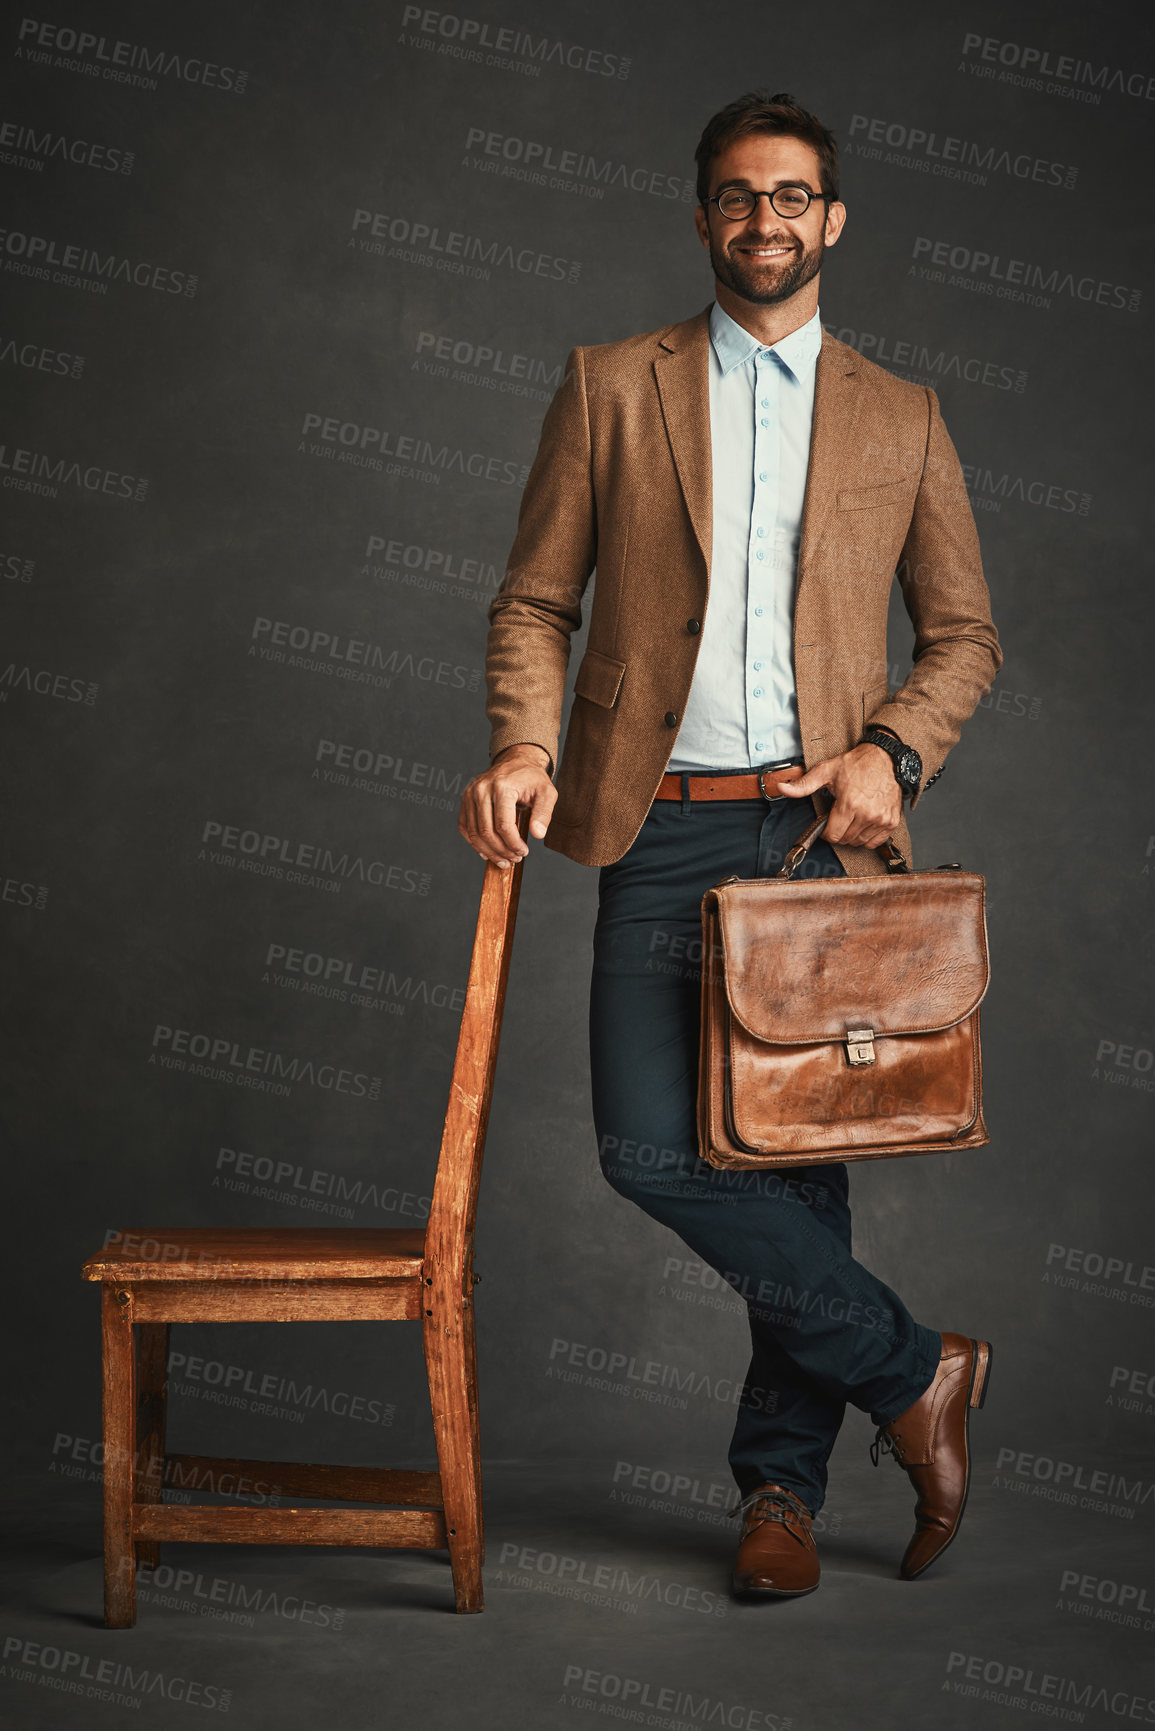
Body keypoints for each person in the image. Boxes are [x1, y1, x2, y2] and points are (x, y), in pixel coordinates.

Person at [458, 90, 1001, 1599]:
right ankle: (915, 1370)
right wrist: (522, 739)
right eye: (739, 196)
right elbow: (531, 603)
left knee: (797, 1176)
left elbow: (963, 635)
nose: (767, 220)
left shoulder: (905, 414)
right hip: (662, 824)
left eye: (794, 197)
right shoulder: (609, 386)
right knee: (653, 1148)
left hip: (819, 837)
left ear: (832, 220)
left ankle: (780, 1497)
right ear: (704, 217)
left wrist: (892, 754)